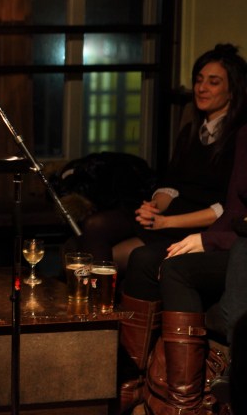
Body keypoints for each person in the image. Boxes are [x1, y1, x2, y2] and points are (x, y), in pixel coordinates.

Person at [71, 44, 247, 413]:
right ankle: (120, 360)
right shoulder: (192, 129)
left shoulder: (237, 135)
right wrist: (156, 207)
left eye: (213, 82)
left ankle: (173, 393)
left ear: (232, 90)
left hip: (204, 221)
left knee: (140, 257)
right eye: (199, 80)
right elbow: (173, 182)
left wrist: (170, 223)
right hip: (180, 213)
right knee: (97, 226)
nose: (202, 88)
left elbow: (225, 208)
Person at [115, 123, 247, 415]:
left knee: (176, 269)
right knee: (143, 259)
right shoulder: (244, 134)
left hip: (242, 248)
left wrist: (210, 240)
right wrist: (206, 239)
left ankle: (183, 404)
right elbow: (234, 209)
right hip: (234, 238)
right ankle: (133, 385)